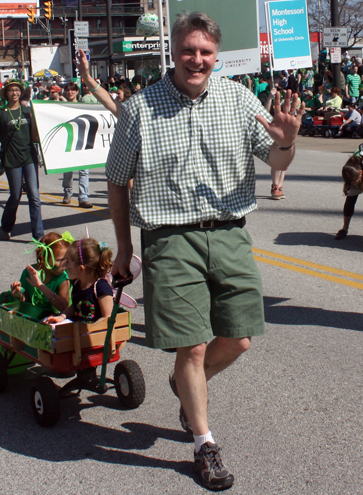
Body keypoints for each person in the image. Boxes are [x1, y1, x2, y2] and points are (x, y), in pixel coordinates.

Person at [106, 12, 303, 491]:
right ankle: (204, 442)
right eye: (188, 50)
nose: (197, 59)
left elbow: (276, 157)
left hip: (231, 233)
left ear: (216, 56)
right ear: (173, 51)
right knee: (192, 346)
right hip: (170, 239)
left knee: (239, 338)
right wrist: (125, 245)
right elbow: (116, 183)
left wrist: (289, 142)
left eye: (206, 52)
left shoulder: (238, 99)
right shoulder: (139, 109)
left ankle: (184, 386)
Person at [0, 78, 44, 240]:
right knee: (15, 195)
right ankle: (6, 226)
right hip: (11, 159)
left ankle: (38, 235)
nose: (15, 93)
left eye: (17, 90)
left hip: (29, 157)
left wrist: (33, 119)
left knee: (34, 196)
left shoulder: (27, 111)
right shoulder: (0, 113)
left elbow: (34, 137)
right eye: (11, 90)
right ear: (6, 93)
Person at [44, 238, 114, 324]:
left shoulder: (101, 287)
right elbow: (75, 306)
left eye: (68, 262)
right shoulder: (77, 283)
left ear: (81, 269)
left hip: (97, 335)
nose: (64, 265)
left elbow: (107, 318)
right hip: (80, 332)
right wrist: (62, 316)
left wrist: (89, 330)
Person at [11, 231, 74, 313]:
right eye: (59, 260)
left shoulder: (63, 278)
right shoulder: (30, 273)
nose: (65, 264)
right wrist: (19, 296)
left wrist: (41, 286)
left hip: (54, 320)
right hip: (35, 318)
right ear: (44, 258)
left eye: (66, 259)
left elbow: (63, 307)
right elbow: (28, 298)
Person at [60, 80, 92, 208]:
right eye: (68, 90)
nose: (70, 92)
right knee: (68, 171)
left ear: (77, 92)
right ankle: (68, 193)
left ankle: (83, 197)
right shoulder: (60, 107)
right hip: (67, 142)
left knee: (84, 171)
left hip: (82, 141)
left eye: (73, 90)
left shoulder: (82, 106)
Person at [335, 147, 363, 240]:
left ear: (361, 173)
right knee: (350, 201)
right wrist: (352, 183)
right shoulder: (350, 168)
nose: (355, 184)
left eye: (356, 181)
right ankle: (344, 228)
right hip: (355, 171)